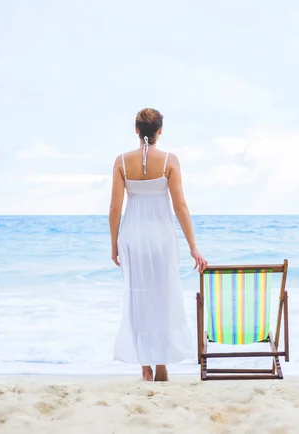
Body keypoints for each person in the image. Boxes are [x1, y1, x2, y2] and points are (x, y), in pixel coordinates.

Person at [109, 108, 208, 381]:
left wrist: (114, 244)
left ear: (136, 129)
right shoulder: (169, 161)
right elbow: (180, 206)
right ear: (160, 131)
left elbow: (116, 208)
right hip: (162, 238)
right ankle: (162, 362)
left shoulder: (121, 161)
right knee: (164, 296)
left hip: (132, 238)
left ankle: (146, 367)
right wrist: (193, 246)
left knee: (138, 298)